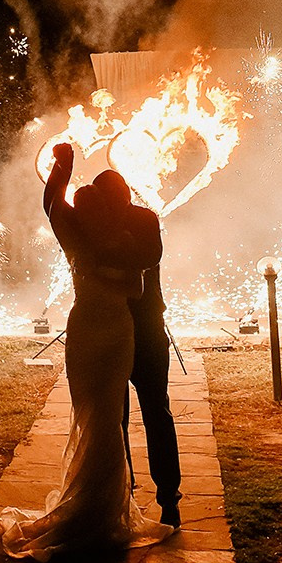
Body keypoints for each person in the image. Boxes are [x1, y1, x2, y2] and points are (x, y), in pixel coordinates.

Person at [0, 144, 173, 563]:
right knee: (125, 417)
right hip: (124, 330)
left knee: (108, 417)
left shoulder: (78, 231)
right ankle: (128, 502)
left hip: (102, 332)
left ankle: (138, 500)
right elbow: (140, 276)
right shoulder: (127, 226)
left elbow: (52, 203)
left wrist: (63, 166)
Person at [88, 169, 182, 527]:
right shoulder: (106, 223)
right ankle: (125, 495)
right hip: (117, 327)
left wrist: (115, 246)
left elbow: (148, 256)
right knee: (123, 418)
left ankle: (166, 495)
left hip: (142, 328)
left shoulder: (143, 219)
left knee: (153, 412)